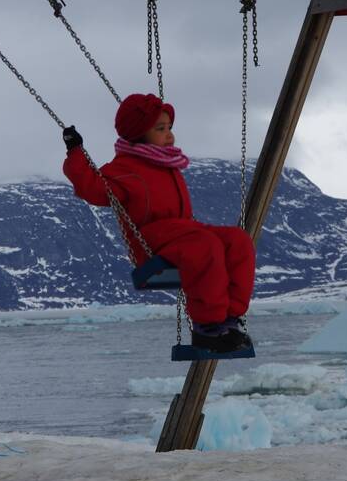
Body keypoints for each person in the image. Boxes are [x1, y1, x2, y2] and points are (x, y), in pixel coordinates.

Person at [63, 93, 255, 354]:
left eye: (169, 128)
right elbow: (92, 188)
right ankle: (208, 328)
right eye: (161, 129)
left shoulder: (166, 163)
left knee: (237, 241)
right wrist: (75, 152)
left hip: (185, 231)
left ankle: (229, 320)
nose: (170, 135)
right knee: (205, 246)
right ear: (139, 133)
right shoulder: (123, 169)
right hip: (153, 243)